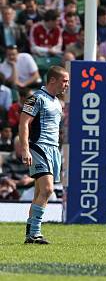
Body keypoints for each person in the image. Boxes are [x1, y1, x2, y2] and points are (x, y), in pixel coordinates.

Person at [19, 66, 69, 244]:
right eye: (64, 81)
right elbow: (24, 122)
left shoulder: (57, 101)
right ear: (53, 80)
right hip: (39, 147)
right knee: (47, 190)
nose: (67, 85)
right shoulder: (36, 98)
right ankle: (35, 232)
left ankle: (30, 233)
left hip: (53, 149)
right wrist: (25, 148)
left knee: (40, 192)